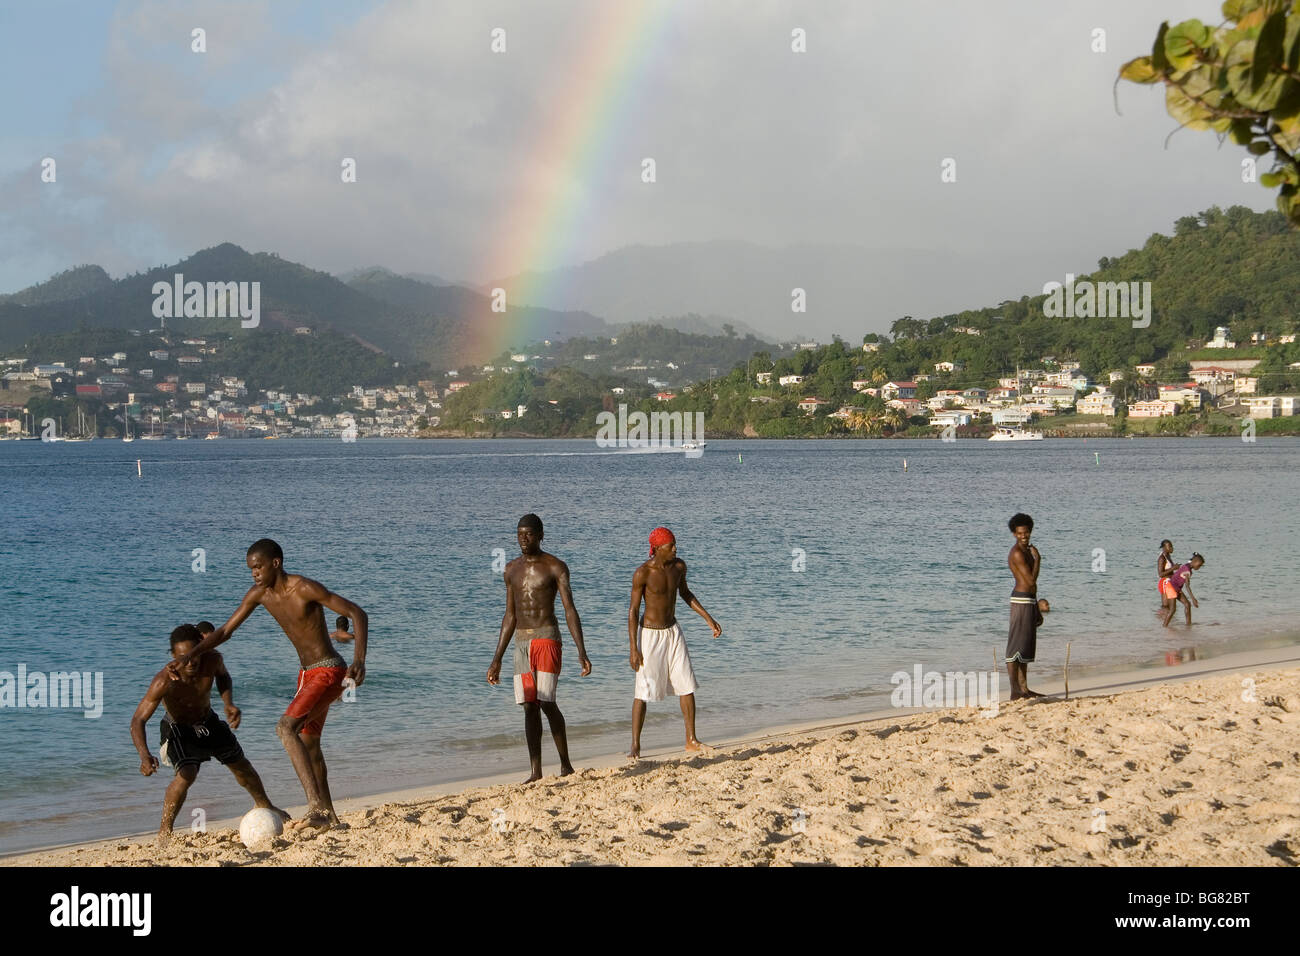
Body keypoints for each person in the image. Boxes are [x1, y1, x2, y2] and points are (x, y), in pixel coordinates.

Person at [168, 539, 368, 831]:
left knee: (285, 728)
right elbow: (224, 630)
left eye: (258, 567)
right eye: (251, 569)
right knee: (309, 745)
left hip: (329, 670)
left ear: (276, 563)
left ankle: (315, 809)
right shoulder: (259, 594)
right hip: (306, 676)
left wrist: (359, 659)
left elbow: (357, 613)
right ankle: (330, 817)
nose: (255, 573)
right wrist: (191, 654)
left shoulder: (304, 588)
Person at [132, 624, 286, 845]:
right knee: (188, 773)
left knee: (240, 764)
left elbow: (223, 677)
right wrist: (144, 755)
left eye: (195, 654)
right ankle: (165, 831)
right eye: (183, 657)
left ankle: (265, 805)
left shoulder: (212, 660)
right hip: (178, 727)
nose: (192, 661)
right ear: (173, 656)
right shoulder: (164, 681)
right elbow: (138, 720)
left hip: (208, 721)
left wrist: (228, 703)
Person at [486, 514, 592, 783]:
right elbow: (509, 615)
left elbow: (570, 609)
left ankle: (566, 765)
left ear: (541, 535)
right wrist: (496, 658)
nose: (524, 538)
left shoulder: (555, 566)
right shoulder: (510, 570)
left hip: (547, 637)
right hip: (522, 641)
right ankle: (535, 771)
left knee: (546, 701)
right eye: (520, 533)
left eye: (529, 534)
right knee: (529, 706)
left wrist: (581, 650)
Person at [627, 527, 722, 759]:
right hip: (649, 635)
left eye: (675, 544)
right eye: (671, 546)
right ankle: (636, 746)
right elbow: (633, 610)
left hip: (673, 631)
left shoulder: (679, 567)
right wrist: (633, 648)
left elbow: (686, 594)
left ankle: (691, 740)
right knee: (643, 690)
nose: (675, 549)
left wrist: (709, 619)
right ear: (658, 549)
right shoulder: (643, 573)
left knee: (686, 683)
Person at [1005, 513, 1042, 700]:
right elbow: (1030, 580)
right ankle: (1014, 691)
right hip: (1020, 600)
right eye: (1020, 533)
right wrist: (1038, 561)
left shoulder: (1027, 550)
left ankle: (1024, 689)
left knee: (1025, 648)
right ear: (1014, 533)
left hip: (1029, 600)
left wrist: (1036, 607)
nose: (1024, 536)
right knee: (1015, 649)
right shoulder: (1018, 553)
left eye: (1026, 532)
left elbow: (1032, 587)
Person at [1162, 553, 1205, 627]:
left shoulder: (1187, 565)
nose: (1199, 567)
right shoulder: (1187, 571)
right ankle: (1164, 626)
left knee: (1187, 604)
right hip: (1171, 587)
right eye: (1199, 565)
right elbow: (1187, 586)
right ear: (1194, 562)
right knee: (1172, 610)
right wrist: (1193, 598)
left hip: (1176, 588)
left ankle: (1188, 625)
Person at [1157, 539, 1177, 613]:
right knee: (1165, 606)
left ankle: (1169, 622)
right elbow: (1160, 574)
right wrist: (1173, 568)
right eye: (1169, 546)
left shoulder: (1168, 556)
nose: (1172, 548)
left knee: (1171, 606)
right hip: (1164, 582)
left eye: (1172, 546)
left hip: (1170, 582)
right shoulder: (1162, 558)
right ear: (1164, 548)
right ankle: (1161, 621)